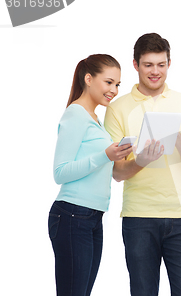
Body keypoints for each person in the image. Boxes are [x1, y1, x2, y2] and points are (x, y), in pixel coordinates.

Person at [103, 33, 181, 296]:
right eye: (148, 65)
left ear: (169, 63)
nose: (155, 71)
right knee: (142, 291)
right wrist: (140, 161)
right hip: (139, 218)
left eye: (161, 64)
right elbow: (116, 173)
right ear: (136, 65)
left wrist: (176, 136)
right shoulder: (118, 108)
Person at [49, 54, 133, 296]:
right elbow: (60, 172)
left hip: (92, 217)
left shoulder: (95, 119)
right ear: (88, 79)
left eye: (117, 84)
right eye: (108, 82)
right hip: (73, 215)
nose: (114, 90)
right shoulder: (75, 114)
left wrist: (119, 155)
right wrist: (105, 155)